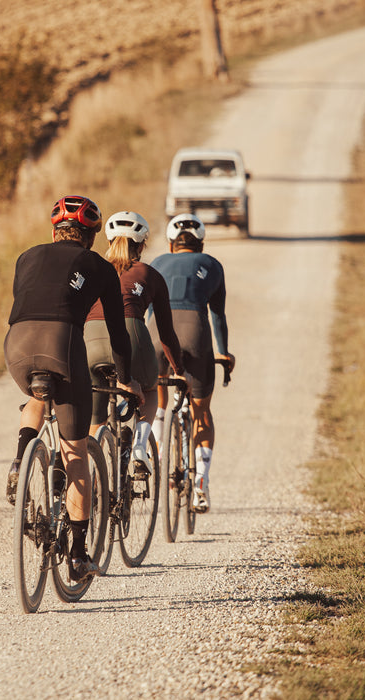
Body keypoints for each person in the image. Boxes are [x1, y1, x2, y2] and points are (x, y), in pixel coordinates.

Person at [3, 195, 139, 582]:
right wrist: (126, 381)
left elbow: (28, 301)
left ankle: (19, 458)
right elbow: (117, 333)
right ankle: (78, 555)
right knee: (76, 452)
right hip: (62, 342)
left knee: (37, 393)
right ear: (92, 236)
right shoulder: (98, 266)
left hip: (17, 343)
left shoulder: (26, 256)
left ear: (54, 232)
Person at [84, 211, 185, 468]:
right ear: (141, 245)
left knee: (95, 419)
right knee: (149, 391)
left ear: (108, 242)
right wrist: (179, 370)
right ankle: (140, 445)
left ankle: (95, 472)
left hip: (91, 339)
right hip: (132, 336)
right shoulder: (150, 274)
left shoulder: (93, 269)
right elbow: (166, 334)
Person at [148, 213, 234, 513]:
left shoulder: (157, 262)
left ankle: (155, 458)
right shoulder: (212, 265)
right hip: (195, 331)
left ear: (171, 245)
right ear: (201, 245)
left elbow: (147, 312)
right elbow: (218, 316)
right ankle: (201, 482)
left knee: (157, 400)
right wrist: (223, 352)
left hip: (159, 332)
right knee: (202, 410)